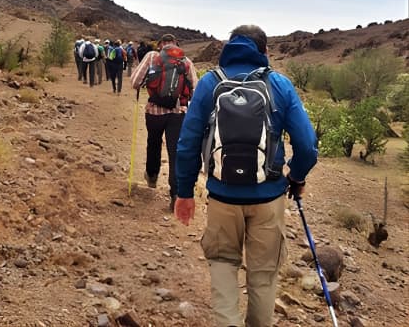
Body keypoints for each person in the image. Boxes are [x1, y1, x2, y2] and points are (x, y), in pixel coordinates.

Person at [174, 25, 318, 327]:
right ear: (264, 52)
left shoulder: (210, 83)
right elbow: (306, 145)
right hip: (269, 198)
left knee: (223, 268)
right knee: (263, 278)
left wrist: (184, 193)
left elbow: (187, 143)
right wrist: (297, 177)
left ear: (230, 47)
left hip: (222, 199)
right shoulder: (279, 84)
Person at [131, 34, 198, 211]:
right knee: (175, 151)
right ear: (176, 44)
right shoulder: (186, 62)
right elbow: (195, 88)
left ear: (160, 45)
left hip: (154, 111)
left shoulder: (152, 57)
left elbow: (135, 82)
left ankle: (152, 176)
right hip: (178, 113)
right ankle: (175, 195)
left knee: (153, 143)